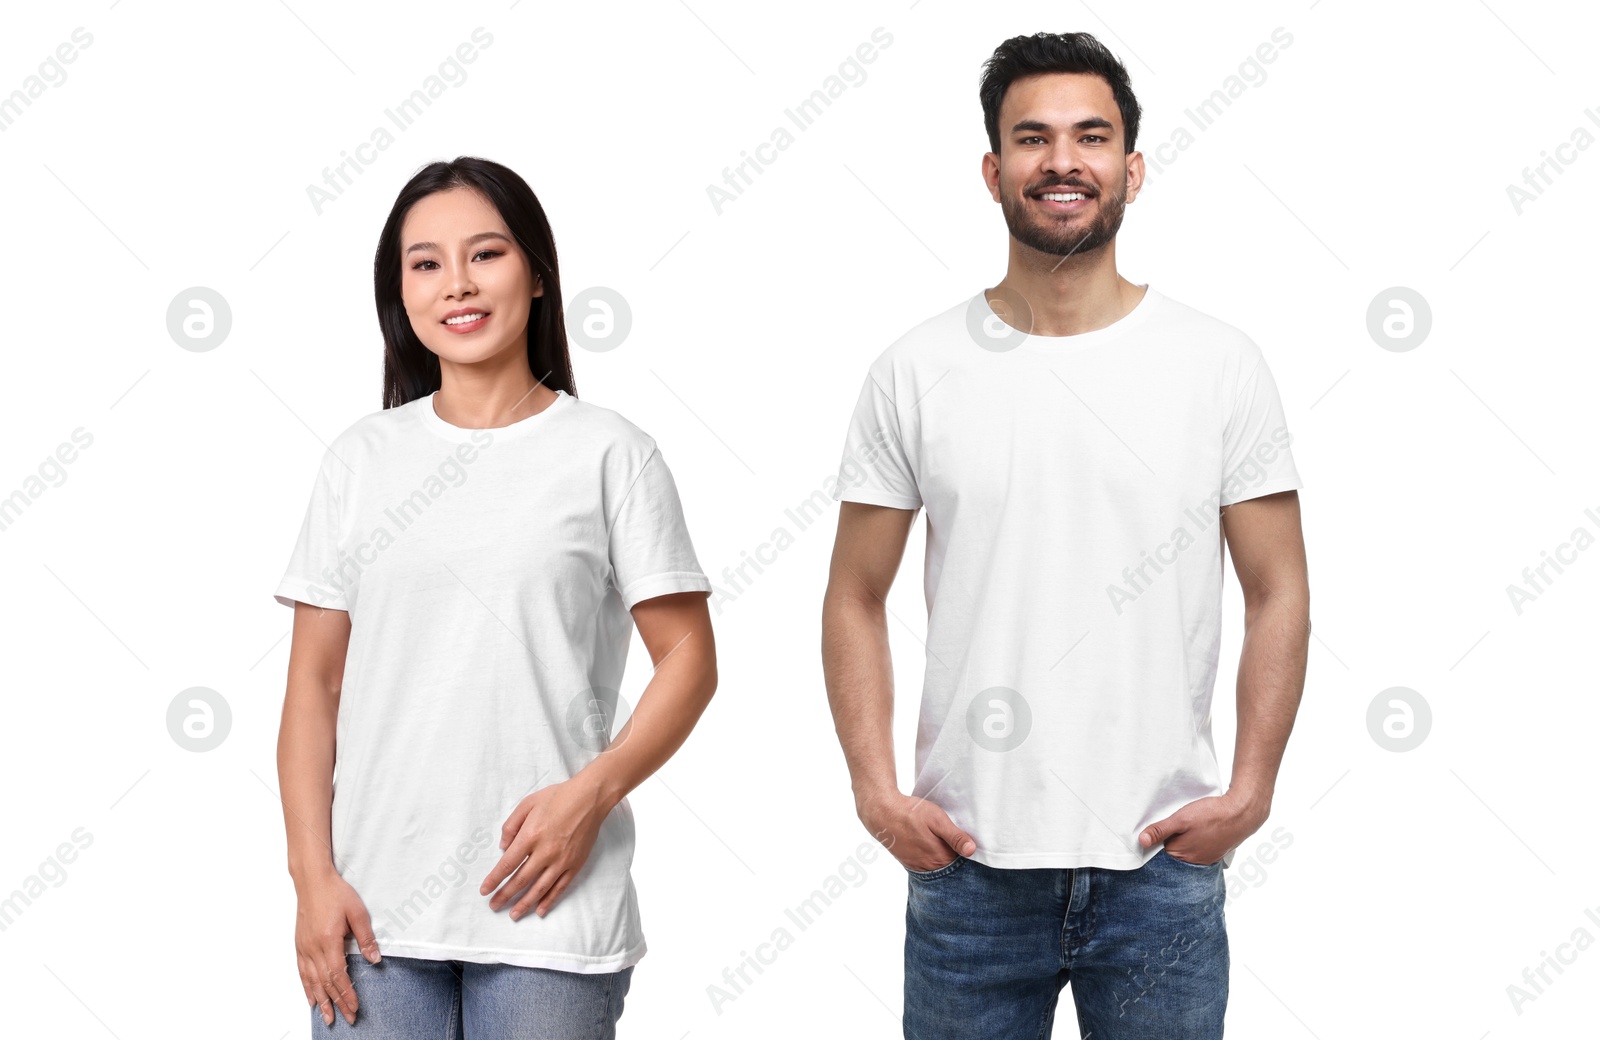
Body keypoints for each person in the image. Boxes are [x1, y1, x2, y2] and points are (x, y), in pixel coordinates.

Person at [820, 32, 1310, 1039]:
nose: (1062, 161)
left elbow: (1279, 588)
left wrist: (1250, 790)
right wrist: (875, 791)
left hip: (1159, 870)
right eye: (1032, 138)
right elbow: (851, 593)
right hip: (966, 868)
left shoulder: (1218, 364)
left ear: (1130, 167)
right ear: (993, 170)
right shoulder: (914, 369)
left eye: (1091, 136)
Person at [274, 156, 717, 1037]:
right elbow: (313, 689)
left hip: (549, 911)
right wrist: (311, 881)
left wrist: (591, 794)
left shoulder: (609, 453)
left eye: (487, 254)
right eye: (426, 263)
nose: (458, 285)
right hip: (374, 915)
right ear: (398, 292)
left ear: (538, 275)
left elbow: (690, 660)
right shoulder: (360, 461)